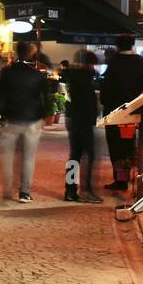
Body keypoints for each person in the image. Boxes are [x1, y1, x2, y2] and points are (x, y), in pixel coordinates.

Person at [0, 41, 52, 202]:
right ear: (30, 54)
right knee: (28, 157)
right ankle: (24, 192)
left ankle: (7, 190)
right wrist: (43, 115)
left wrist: (2, 112)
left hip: (11, 119)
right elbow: (46, 99)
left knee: (7, 157)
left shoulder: (6, 73)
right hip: (32, 120)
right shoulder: (37, 75)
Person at [100, 35, 143, 191]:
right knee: (128, 144)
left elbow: (107, 86)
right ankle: (128, 176)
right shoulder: (139, 61)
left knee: (116, 146)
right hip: (133, 109)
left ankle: (121, 180)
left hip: (115, 111)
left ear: (118, 46)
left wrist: (104, 102)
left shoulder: (115, 61)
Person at [62, 50, 102, 203]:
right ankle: (85, 189)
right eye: (92, 64)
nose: (94, 68)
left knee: (75, 156)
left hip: (75, 119)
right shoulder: (84, 77)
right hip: (83, 121)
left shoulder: (74, 75)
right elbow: (86, 101)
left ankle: (70, 190)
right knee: (88, 155)